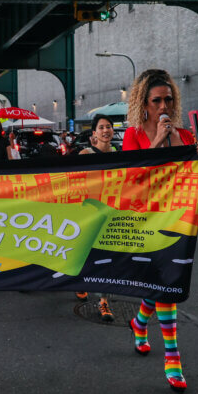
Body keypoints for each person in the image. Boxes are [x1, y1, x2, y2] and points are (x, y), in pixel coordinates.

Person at [124, 69, 198, 393]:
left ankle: (139, 323)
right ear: (144, 103)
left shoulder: (186, 136)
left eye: (168, 100)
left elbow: (196, 178)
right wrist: (159, 140)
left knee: (162, 282)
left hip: (177, 221)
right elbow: (132, 178)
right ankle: (173, 357)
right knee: (166, 284)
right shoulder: (134, 134)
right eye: (156, 100)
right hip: (146, 220)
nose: (163, 106)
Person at [75, 114, 117, 321]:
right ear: (94, 133)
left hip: (110, 212)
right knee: (86, 253)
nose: (106, 130)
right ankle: (81, 283)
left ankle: (103, 301)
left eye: (108, 127)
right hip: (88, 212)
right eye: (101, 127)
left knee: (106, 258)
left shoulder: (120, 154)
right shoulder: (85, 153)